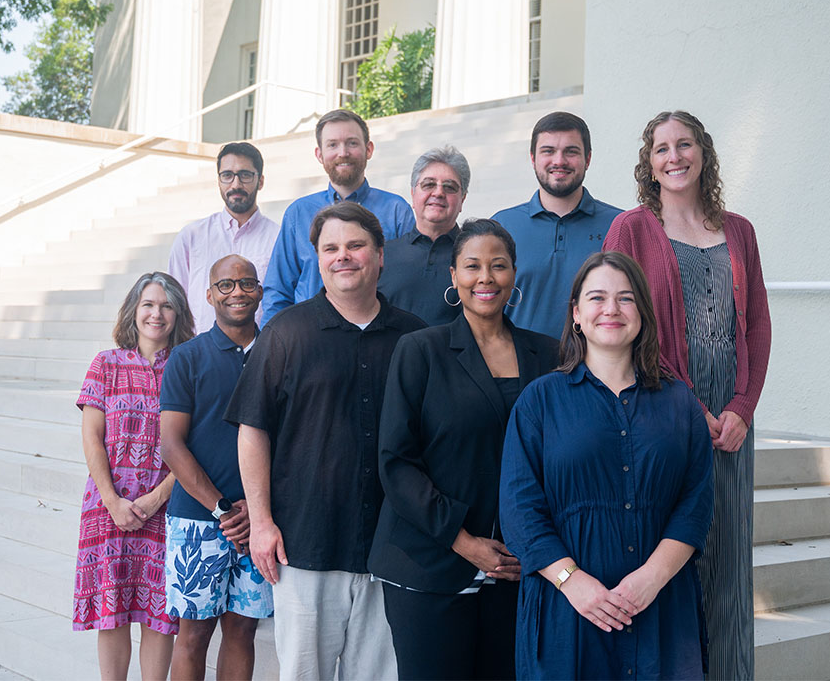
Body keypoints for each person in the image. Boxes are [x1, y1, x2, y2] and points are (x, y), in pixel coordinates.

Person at [601, 110, 772, 679]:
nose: (674, 156)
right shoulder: (630, 228)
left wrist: (741, 408)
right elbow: (625, 320)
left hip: (732, 418)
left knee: (727, 558)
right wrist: (691, 408)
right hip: (662, 405)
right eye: (661, 148)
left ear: (704, 151)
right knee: (675, 548)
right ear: (648, 163)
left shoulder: (739, 229)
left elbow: (758, 327)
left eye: (685, 144)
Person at [227, 202, 425, 680]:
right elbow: (252, 430)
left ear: (380, 255)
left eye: (355, 246)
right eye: (330, 248)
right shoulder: (284, 333)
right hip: (304, 545)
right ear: (316, 258)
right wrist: (261, 523)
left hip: (391, 548)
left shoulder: (416, 339)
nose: (344, 257)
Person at [499, 252, 714, 680]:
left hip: (661, 608)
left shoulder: (680, 404)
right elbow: (520, 510)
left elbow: (695, 504)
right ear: (577, 314)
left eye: (626, 298)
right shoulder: (540, 402)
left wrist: (649, 580)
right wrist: (574, 583)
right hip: (567, 613)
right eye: (597, 298)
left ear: (643, 315)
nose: (611, 309)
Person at [369, 218, 558, 680]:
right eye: (472, 265)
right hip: (431, 563)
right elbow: (396, 460)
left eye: (498, 265)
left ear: (515, 274)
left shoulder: (549, 356)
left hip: (516, 571)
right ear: (454, 275)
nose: (485, 278)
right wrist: (463, 542)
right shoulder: (421, 350)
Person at [74, 271, 195, 681]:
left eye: (166, 305)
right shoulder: (106, 364)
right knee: (112, 613)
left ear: (178, 314)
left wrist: (156, 498)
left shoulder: (189, 365)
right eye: (148, 304)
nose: (156, 314)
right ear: (133, 310)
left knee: (158, 615)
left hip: (165, 508)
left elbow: (194, 444)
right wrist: (112, 501)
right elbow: (92, 437)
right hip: (108, 507)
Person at [160, 254, 272, 680]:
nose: (237, 292)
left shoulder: (277, 351)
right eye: (226, 285)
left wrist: (253, 509)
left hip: (258, 520)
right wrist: (223, 509)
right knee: (193, 636)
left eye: (246, 283)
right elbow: (171, 444)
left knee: (242, 631)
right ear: (208, 295)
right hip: (198, 521)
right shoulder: (187, 357)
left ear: (260, 291)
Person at [261, 109, 415, 324]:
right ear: (319, 154)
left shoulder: (396, 211)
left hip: (378, 334)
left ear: (368, 149)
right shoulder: (298, 214)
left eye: (352, 143)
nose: (343, 152)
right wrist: (272, 344)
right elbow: (278, 290)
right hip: (309, 336)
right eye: (332, 144)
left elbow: (408, 284)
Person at [491, 111, 620, 340]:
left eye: (571, 151)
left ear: (588, 159)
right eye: (548, 151)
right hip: (517, 369)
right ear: (533, 158)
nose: (559, 161)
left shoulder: (620, 225)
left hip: (595, 370)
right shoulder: (501, 226)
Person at [169, 142, 279, 333]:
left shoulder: (278, 238)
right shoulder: (191, 237)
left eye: (245, 175)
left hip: (261, 353)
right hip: (200, 354)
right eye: (227, 175)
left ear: (260, 181)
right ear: (219, 180)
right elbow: (174, 302)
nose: (236, 184)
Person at [377, 145, 470, 326]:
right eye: (428, 185)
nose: (438, 193)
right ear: (413, 194)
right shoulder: (382, 255)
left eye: (449, 187)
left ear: (462, 200)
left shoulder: (475, 256)